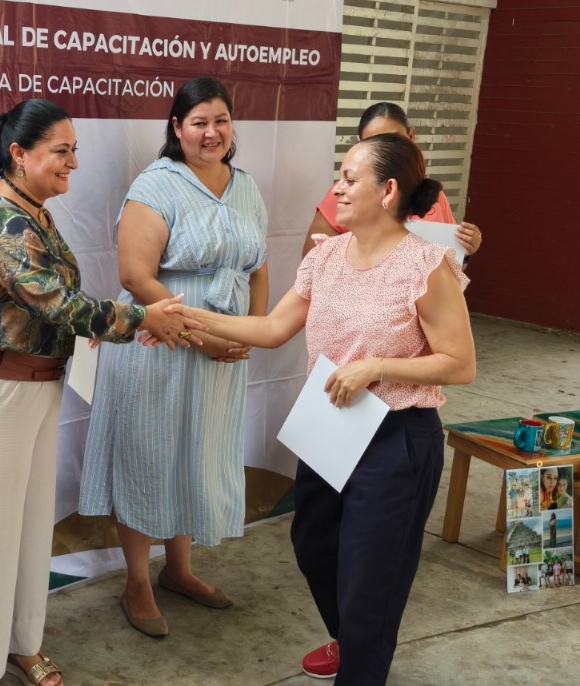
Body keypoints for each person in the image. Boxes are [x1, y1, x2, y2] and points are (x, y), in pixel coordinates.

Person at [0, 99, 200, 686]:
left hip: (32, 390)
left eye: (74, 150)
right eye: (61, 151)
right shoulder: (3, 221)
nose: (74, 163)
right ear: (19, 154)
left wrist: (117, 325)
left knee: (27, 530)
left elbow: (55, 309)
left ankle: (18, 643)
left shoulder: (32, 211)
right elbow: (58, 302)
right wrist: (143, 318)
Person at [165, 132, 475, 683]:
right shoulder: (326, 255)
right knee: (314, 546)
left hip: (396, 439)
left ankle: (361, 658)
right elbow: (271, 328)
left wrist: (377, 367)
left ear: (388, 191)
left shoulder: (426, 266)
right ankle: (353, 643)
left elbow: (459, 363)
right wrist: (183, 318)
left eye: (350, 179)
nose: (338, 188)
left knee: (369, 581)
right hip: (330, 426)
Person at [79, 77, 269, 638]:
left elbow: (258, 267)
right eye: (199, 122)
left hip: (222, 353)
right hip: (160, 346)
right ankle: (138, 581)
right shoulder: (156, 185)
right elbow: (136, 277)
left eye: (221, 121)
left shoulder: (245, 186)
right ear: (176, 128)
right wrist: (205, 335)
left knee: (196, 455)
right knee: (149, 457)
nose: (211, 133)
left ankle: (179, 570)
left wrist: (252, 332)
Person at [301, 102, 483, 260]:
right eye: (375, 144)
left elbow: (447, 271)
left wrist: (465, 251)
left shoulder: (433, 196)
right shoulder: (344, 193)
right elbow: (313, 261)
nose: (387, 153)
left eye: (395, 141)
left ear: (411, 136)